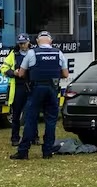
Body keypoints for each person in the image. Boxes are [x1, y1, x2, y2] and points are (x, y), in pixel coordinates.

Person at [12, 30, 69, 160]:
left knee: (30, 120)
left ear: (37, 41)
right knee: (50, 121)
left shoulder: (32, 53)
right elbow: (65, 74)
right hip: (52, 89)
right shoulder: (58, 53)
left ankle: (23, 151)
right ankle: (47, 152)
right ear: (51, 41)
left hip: (36, 89)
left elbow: (21, 73)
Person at [1, 32, 33, 150]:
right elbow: (4, 68)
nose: (22, 46)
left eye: (24, 43)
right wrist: (13, 72)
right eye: (20, 44)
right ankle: (15, 138)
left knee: (32, 113)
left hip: (31, 85)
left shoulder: (33, 53)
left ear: (28, 42)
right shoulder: (13, 54)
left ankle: (33, 137)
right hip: (18, 86)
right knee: (16, 115)